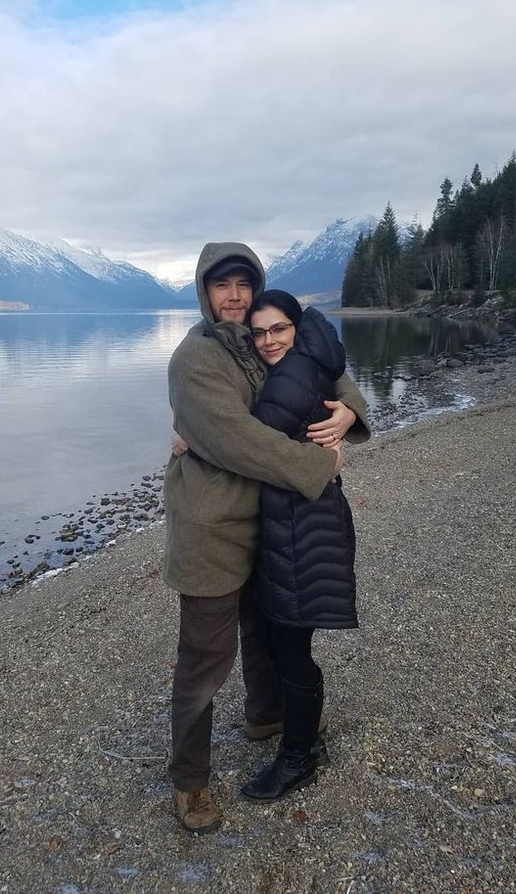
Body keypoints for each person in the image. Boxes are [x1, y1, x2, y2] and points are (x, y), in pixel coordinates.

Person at [164, 242, 370, 834]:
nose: (233, 296)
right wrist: (316, 466)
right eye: (221, 286)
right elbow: (236, 440)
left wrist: (348, 415)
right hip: (210, 527)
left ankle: (266, 716)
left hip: (268, 519)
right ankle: (190, 780)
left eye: (243, 284)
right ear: (204, 292)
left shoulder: (262, 340)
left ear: (256, 289)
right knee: (205, 658)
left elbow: (326, 371)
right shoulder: (195, 360)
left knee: (265, 629)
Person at [239, 290, 358, 802]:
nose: (268, 341)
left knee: (289, 644)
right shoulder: (310, 362)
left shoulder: (292, 375)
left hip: (300, 526)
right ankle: (304, 738)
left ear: (297, 327)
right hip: (303, 520)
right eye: (259, 332)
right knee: (288, 639)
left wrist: (189, 438)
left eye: (278, 329)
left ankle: (298, 757)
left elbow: (247, 441)